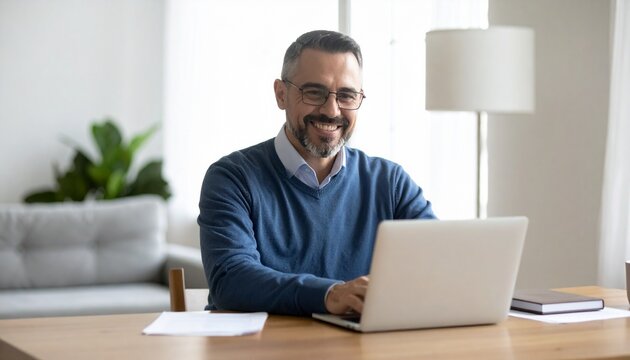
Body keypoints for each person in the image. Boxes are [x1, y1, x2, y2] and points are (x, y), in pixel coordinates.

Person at [198, 30, 435, 316]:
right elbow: (231, 280)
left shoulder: (390, 182)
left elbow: (437, 263)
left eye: (347, 95)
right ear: (281, 94)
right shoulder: (232, 178)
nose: (331, 110)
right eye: (314, 92)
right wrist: (329, 294)